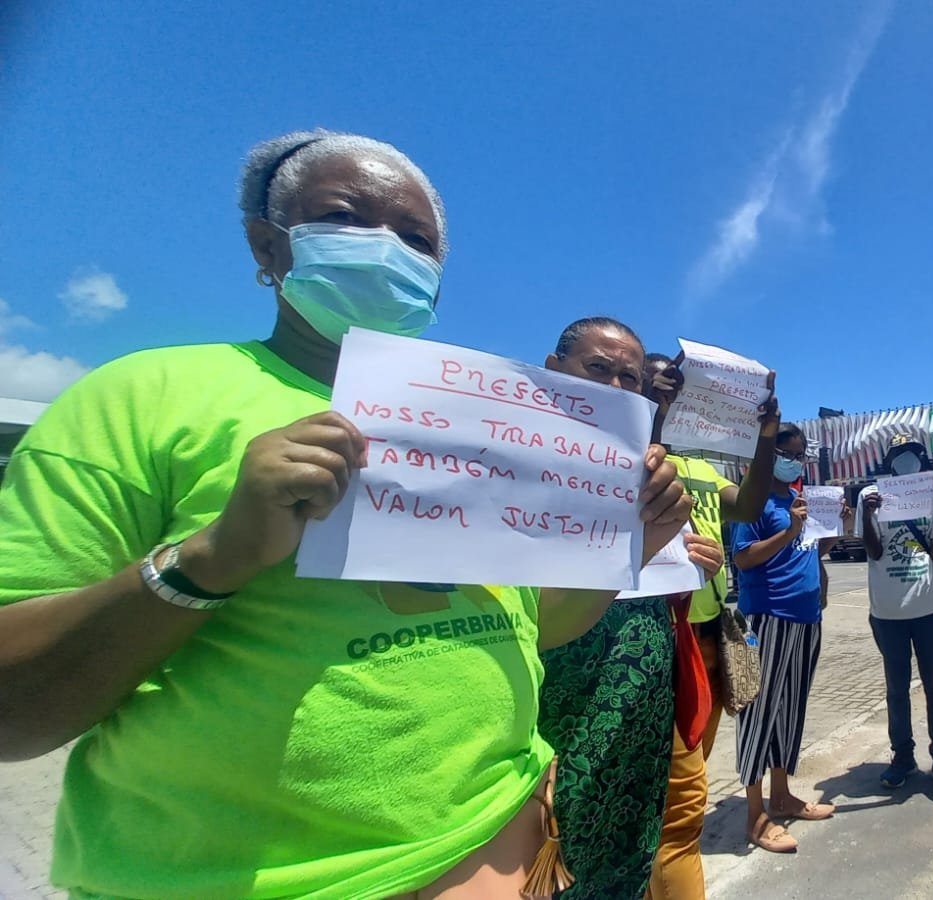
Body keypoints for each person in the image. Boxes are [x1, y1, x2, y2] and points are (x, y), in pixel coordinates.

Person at [0, 131, 690, 899]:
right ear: (269, 245)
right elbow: (13, 712)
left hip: (510, 847)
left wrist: (627, 539)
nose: (384, 248)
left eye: (415, 239)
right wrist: (213, 558)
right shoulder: (141, 398)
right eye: (345, 217)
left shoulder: (481, 426)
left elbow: (535, 627)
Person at [538, 318, 723, 900]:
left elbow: (664, 571)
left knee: (658, 827)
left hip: (647, 685)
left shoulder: (650, 467)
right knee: (565, 843)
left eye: (630, 376)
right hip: (561, 692)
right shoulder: (520, 463)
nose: (616, 386)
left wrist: (696, 562)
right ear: (553, 369)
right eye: (599, 369)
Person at [642, 350, 781, 899]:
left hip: (705, 634)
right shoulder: (623, 456)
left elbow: (746, 507)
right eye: (658, 384)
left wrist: (765, 437)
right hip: (652, 637)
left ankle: (668, 867)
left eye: (673, 387)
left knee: (689, 775)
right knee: (668, 792)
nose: (668, 393)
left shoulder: (700, 468)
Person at [732, 423, 851, 853]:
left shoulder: (794, 499)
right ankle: (755, 814)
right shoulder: (754, 500)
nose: (795, 461)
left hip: (805, 617)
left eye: (801, 454)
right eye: (787, 452)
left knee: (790, 709)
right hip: (770, 617)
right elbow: (744, 559)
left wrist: (835, 526)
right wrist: (787, 530)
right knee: (759, 713)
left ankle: (782, 795)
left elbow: (812, 549)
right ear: (767, 454)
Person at [859, 435, 933, 797]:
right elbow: (873, 552)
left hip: (928, 609)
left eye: (913, 454)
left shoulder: (931, 494)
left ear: (922, 459)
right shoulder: (869, 495)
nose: (906, 460)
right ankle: (902, 757)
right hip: (888, 612)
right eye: (899, 455)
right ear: (888, 461)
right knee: (896, 689)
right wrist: (870, 514)